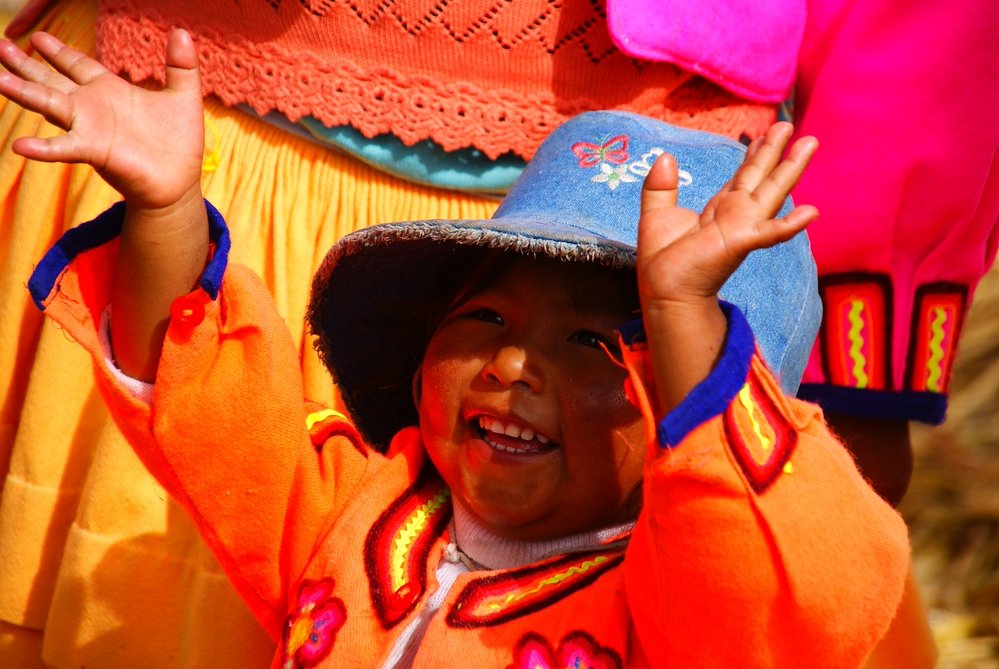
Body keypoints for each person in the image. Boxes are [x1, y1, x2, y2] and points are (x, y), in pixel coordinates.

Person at [1, 28, 910, 667]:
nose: (513, 367)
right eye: (486, 320)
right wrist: (166, 209)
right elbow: (206, 400)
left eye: (599, 342)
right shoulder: (349, 515)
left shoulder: (684, 617)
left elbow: (779, 576)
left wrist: (678, 313)